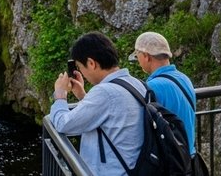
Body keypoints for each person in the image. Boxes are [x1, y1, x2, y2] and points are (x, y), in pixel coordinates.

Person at [50, 31, 146, 176]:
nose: (81, 72)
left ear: (91, 63)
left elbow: (64, 124)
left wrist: (60, 95)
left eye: (80, 67)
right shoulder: (137, 84)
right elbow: (109, 116)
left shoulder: (104, 93)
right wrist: (83, 96)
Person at [129, 32, 197, 161]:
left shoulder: (152, 87)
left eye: (138, 56)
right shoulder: (184, 78)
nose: (138, 61)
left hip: (172, 162)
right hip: (188, 155)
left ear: (146, 56)